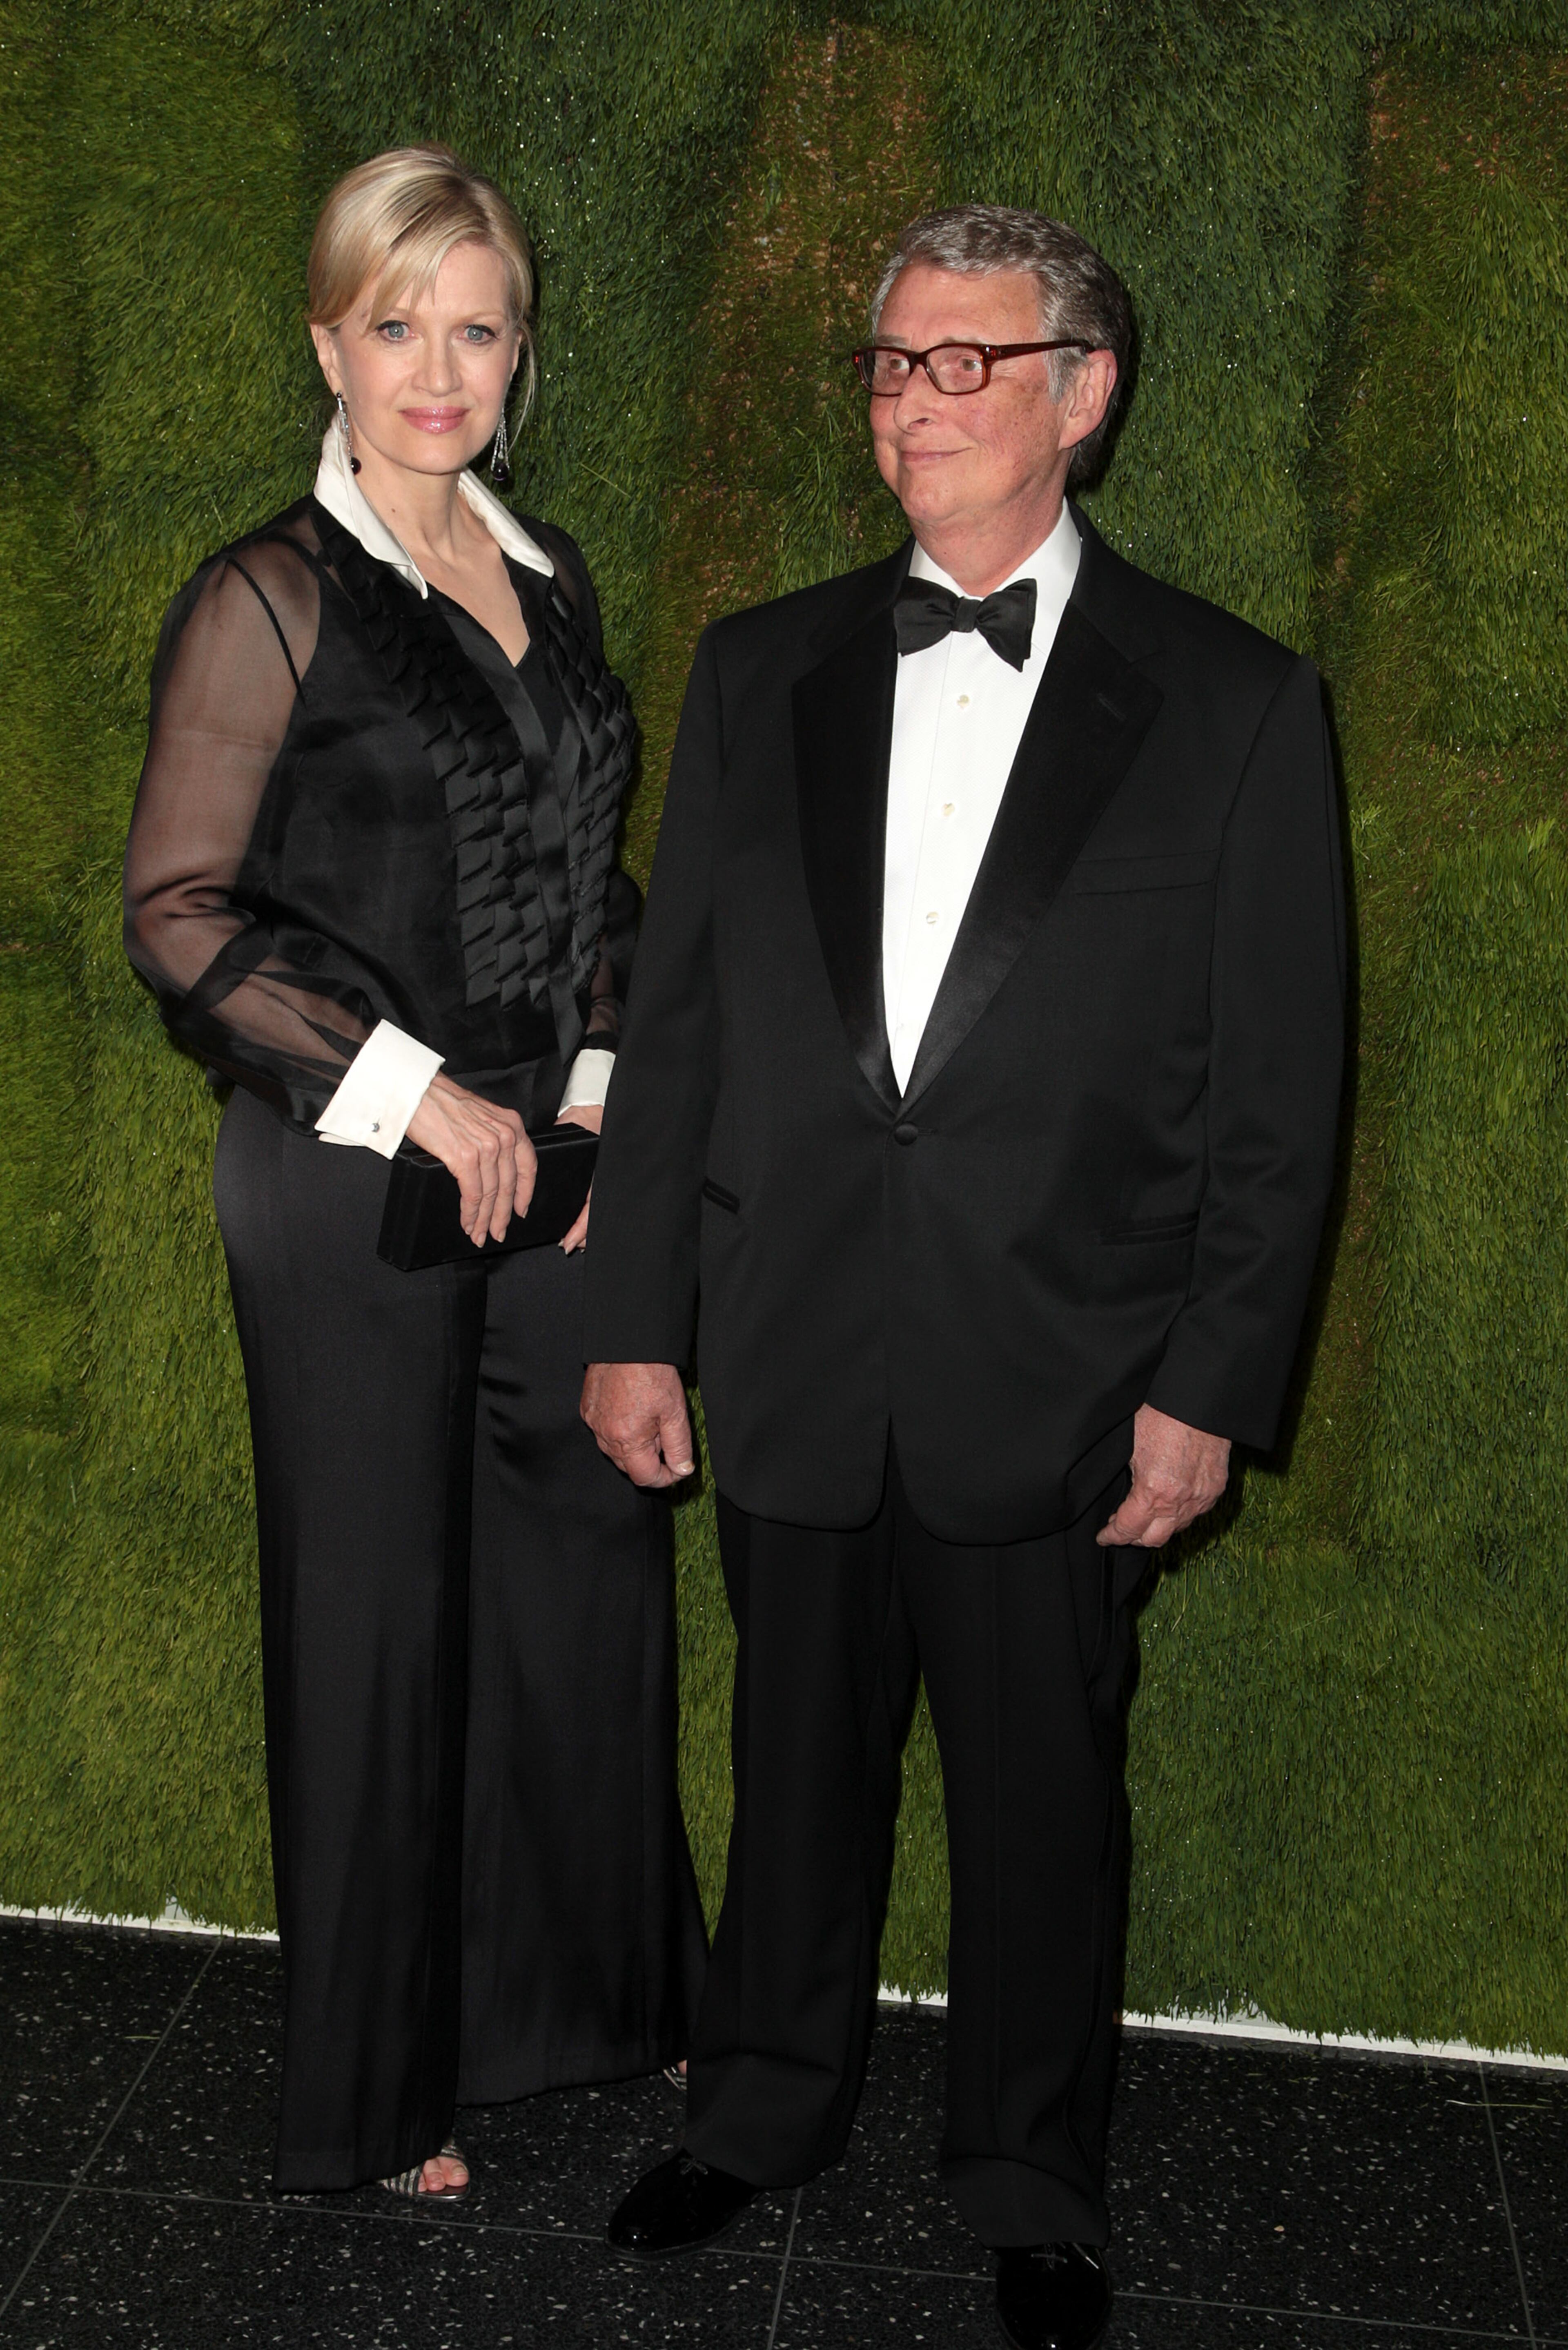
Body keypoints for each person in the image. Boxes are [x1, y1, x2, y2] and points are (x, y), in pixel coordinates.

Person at [579, 205, 1344, 2349]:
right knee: (794, 1770)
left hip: (1074, 1369)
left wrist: (1214, 1380)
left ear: (1082, 391)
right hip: (798, 1336)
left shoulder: (1236, 703)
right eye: (889, 364)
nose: (912, 402)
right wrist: (641, 1310)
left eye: (961, 362)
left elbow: (1283, 1092)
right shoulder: (762, 669)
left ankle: (1031, 2168)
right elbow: (691, 1030)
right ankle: (760, 2106)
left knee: (1040, 1802)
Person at [124, 145, 704, 2199]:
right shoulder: (266, 593)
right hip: (343, 1167)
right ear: (330, 340)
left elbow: (596, 877)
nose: (438, 370)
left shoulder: (552, 586)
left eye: (477, 326)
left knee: (578, 1587)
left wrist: (607, 1075)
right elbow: (183, 916)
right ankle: (378, 2101)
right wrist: (417, 1093)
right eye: (399, 324)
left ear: (517, 349)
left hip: (555, 1169)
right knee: (378, 1618)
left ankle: (579, 2012)